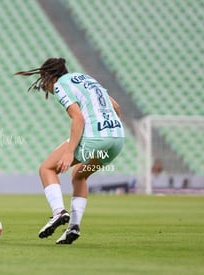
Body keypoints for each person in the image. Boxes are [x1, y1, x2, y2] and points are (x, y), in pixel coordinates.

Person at [15, 58, 125, 244]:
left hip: (95, 136)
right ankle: (73, 226)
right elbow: (116, 106)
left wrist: (69, 152)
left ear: (48, 77)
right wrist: (109, 133)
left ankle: (58, 212)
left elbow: (78, 118)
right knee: (79, 176)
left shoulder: (60, 85)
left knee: (47, 169)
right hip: (116, 139)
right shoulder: (86, 79)